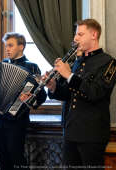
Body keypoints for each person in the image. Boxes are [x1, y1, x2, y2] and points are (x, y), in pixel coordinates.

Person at [45, 19, 116, 169]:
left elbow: (96, 93)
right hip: (70, 131)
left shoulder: (109, 63)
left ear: (94, 35)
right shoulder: (77, 62)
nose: (75, 38)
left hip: (92, 135)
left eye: (80, 34)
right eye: (76, 34)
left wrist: (69, 75)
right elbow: (69, 95)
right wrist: (53, 86)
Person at [0, 32, 47, 170]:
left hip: (18, 120)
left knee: (17, 157)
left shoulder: (32, 67)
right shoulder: (3, 64)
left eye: (10, 45)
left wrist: (29, 99)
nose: (7, 49)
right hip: (0, 118)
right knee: (3, 156)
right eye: (6, 46)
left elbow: (41, 96)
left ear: (21, 47)